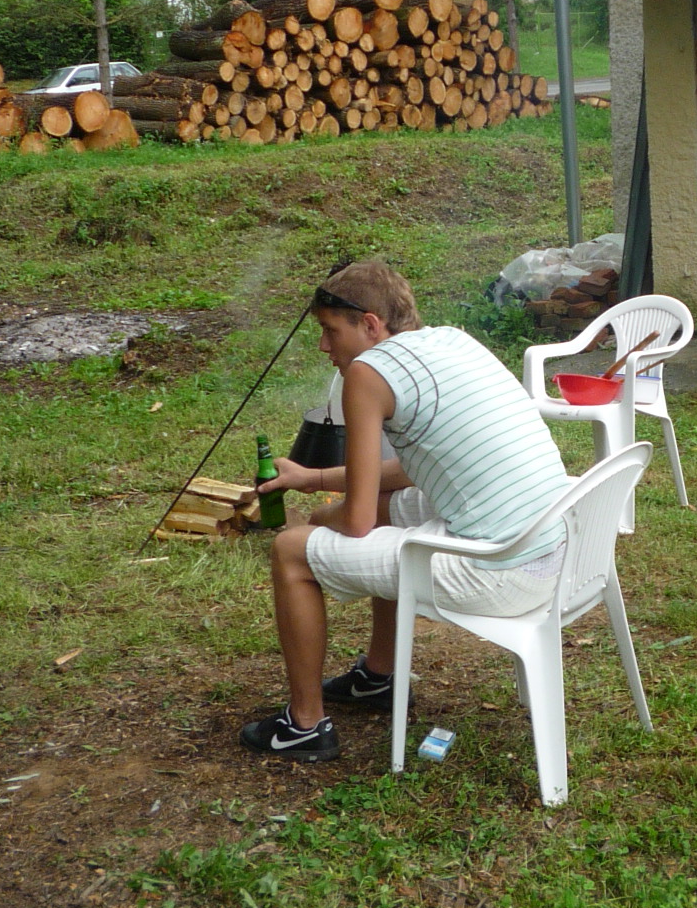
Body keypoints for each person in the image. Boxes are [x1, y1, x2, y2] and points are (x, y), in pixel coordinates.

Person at [240, 260, 573, 762]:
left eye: (331, 331)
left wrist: (319, 518)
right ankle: (378, 677)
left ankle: (303, 725)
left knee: (291, 550)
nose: (324, 346)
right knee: (383, 510)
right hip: (551, 548)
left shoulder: (368, 373)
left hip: (501, 571)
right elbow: (414, 470)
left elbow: (355, 522)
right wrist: (311, 479)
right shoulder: (452, 341)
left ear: (370, 324)